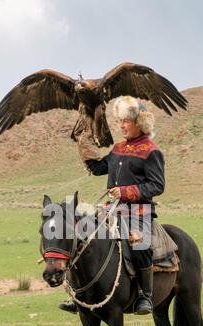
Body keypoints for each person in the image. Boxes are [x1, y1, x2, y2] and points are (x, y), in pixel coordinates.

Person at [59, 95, 165, 314]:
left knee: (140, 245)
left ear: (139, 123)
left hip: (138, 211)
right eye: (121, 121)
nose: (122, 125)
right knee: (82, 237)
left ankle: (145, 296)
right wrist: (84, 145)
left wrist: (126, 191)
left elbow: (157, 185)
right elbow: (99, 168)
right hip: (110, 210)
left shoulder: (151, 151)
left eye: (126, 121)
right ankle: (80, 295)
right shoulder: (118, 149)